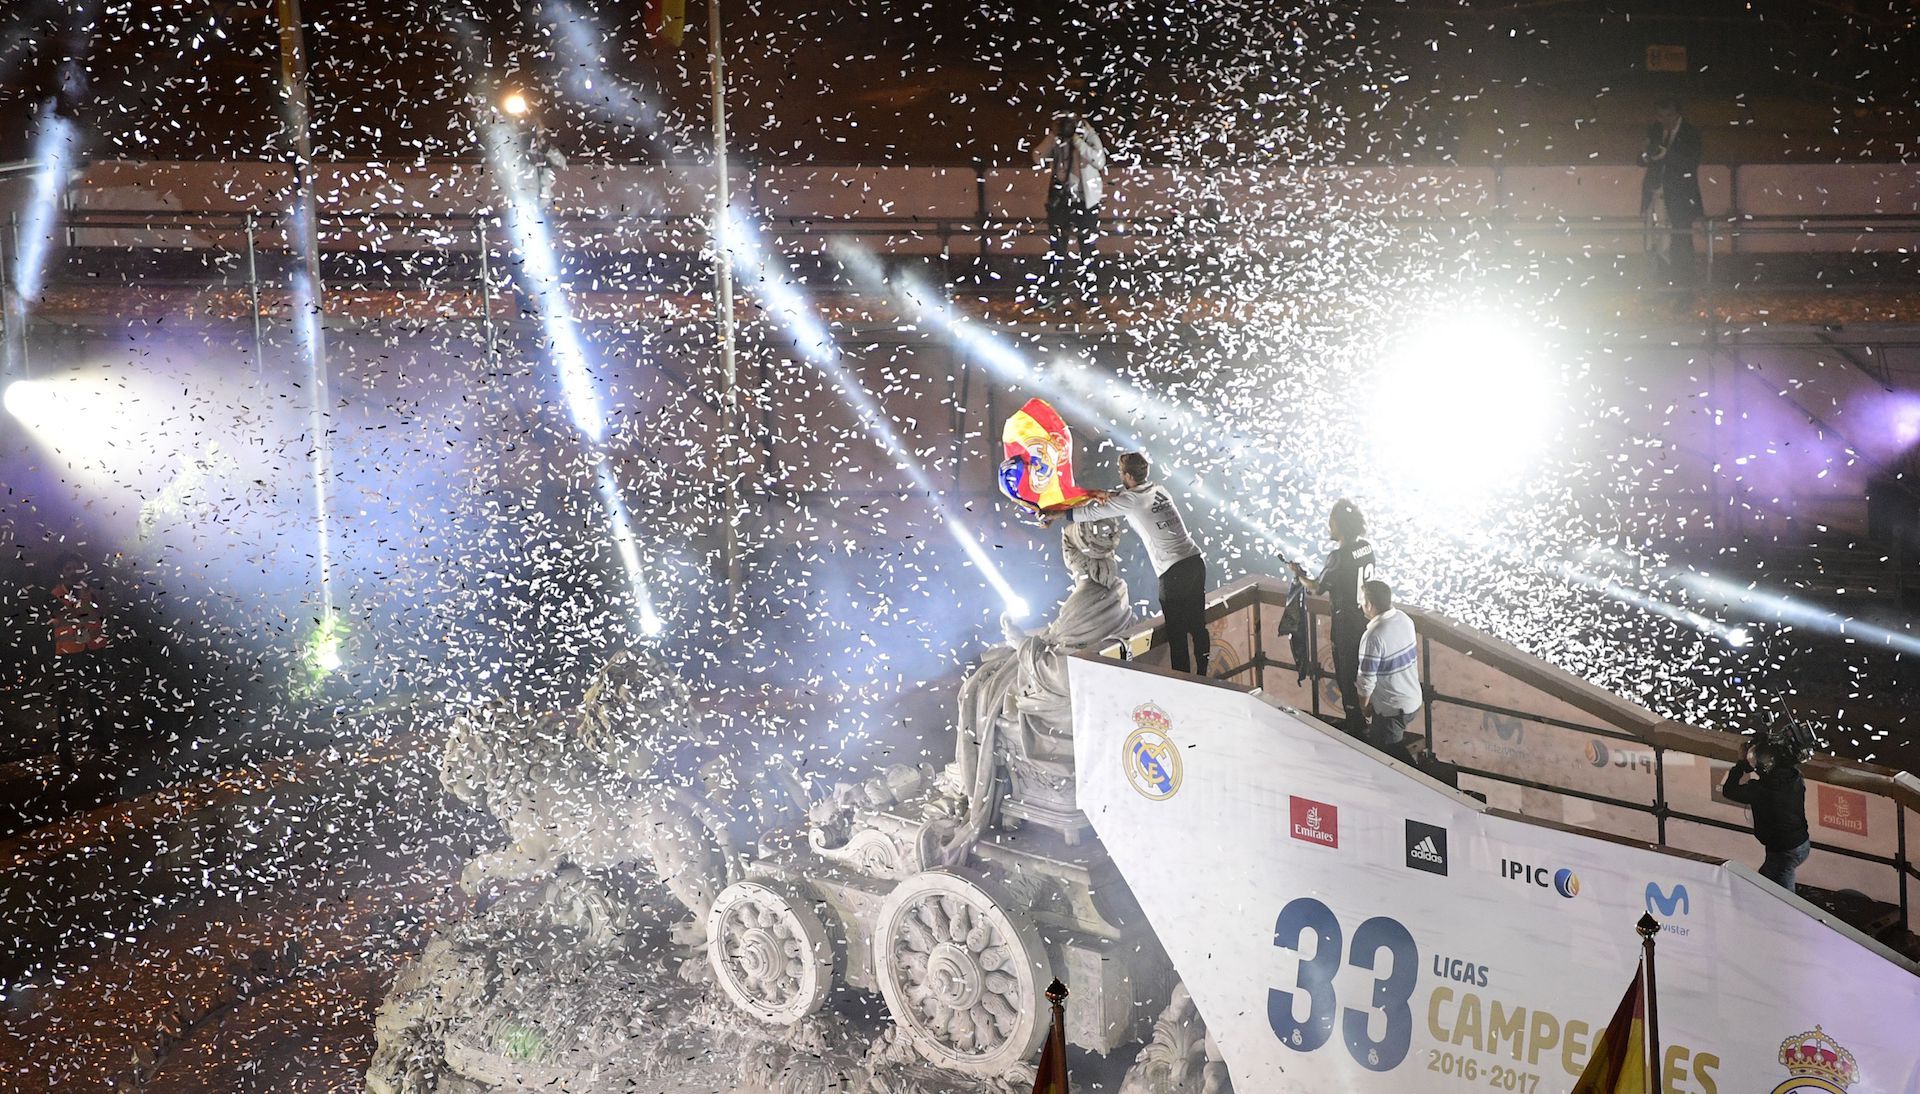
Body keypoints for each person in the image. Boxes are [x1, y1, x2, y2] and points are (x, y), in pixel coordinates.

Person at [1047, 452, 1208, 676]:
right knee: (1198, 625)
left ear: (1129, 476)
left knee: (1177, 633)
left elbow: (1093, 512)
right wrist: (1102, 494)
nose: (1120, 476)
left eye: (1121, 473)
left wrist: (1057, 514)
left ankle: (1183, 681)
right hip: (1195, 562)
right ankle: (1204, 673)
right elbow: (1124, 497)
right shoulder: (1158, 489)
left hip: (1173, 571)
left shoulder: (1131, 501)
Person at [1289, 499, 1374, 735]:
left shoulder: (1338, 556)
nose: (1329, 527)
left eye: (1332, 522)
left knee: (1347, 675)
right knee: (1364, 672)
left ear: (1340, 525)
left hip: (1345, 624)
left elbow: (1317, 587)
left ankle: (1355, 724)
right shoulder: (1366, 547)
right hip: (1366, 620)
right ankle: (1366, 720)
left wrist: (1299, 575)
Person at [1030, 111, 1107, 297]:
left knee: (1087, 248)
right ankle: (1051, 292)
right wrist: (1052, 135)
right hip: (1062, 200)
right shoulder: (1057, 139)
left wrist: (1077, 140)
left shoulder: (1088, 135)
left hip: (1085, 202)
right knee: (1057, 247)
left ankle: (1090, 293)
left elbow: (1099, 160)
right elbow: (1037, 157)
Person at [1721, 739, 1811, 892]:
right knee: (1765, 878)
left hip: (1784, 852)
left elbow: (1729, 790)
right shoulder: (1793, 776)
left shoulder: (1759, 791)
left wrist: (1741, 763)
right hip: (1801, 843)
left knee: (1783, 897)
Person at [49, 555, 112, 772]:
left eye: (77, 568)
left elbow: (102, 614)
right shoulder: (55, 595)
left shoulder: (90, 591)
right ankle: (65, 746)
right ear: (62, 572)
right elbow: (53, 620)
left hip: (93, 650)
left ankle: (100, 739)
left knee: (96, 696)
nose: (73, 572)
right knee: (67, 700)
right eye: (69, 568)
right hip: (69, 653)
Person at [1355, 580, 1420, 765]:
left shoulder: (1374, 636)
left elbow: (1366, 680)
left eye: (1362, 601)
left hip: (1392, 710)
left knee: (1388, 759)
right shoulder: (1404, 619)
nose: (1361, 605)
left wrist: (1364, 707)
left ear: (1369, 604)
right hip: (1413, 700)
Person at [1640, 96, 1703, 283]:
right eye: (1660, 116)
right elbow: (1642, 159)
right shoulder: (1655, 130)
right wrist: (1645, 155)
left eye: (1668, 115)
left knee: (1681, 242)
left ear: (1677, 114)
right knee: (1654, 241)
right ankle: (1661, 284)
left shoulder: (1691, 133)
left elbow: (1691, 162)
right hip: (1655, 194)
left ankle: (1683, 287)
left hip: (1680, 197)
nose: (1664, 120)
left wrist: (1667, 155)